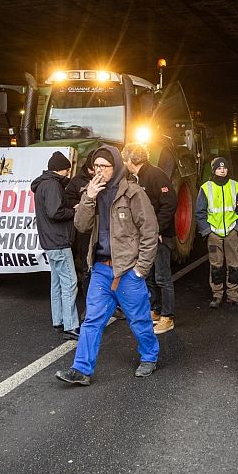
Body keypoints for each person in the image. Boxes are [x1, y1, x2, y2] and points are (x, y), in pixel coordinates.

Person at [55, 145, 160, 386]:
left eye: (104, 166)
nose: (99, 171)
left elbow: (149, 232)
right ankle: (81, 369)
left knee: (139, 319)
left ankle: (149, 357)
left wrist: (140, 269)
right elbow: (81, 225)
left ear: (116, 167)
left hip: (127, 270)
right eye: (96, 167)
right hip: (101, 269)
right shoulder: (92, 192)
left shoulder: (133, 193)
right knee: (92, 320)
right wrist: (89, 197)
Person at [121, 143, 178, 335]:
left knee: (163, 277)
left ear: (131, 160)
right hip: (145, 237)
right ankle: (156, 310)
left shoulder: (155, 175)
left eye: (125, 159)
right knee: (150, 275)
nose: (124, 163)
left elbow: (169, 204)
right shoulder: (134, 178)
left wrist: (157, 230)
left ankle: (168, 317)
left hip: (160, 236)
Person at [30, 151, 79, 340]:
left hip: (49, 241)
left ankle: (58, 320)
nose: (68, 173)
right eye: (67, 170)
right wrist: (73, 211)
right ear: (63, 169)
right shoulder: (52, 185)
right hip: (58, 241)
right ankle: (71, 325)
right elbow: (55, 212)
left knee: (56, 282)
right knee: (70, 283)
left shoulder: (42, 184)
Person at [195, 156, 238, 308]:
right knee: (216, 266)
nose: (222, 170)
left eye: (224, 168)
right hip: (214, 233)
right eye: (219, 168)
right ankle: (217, 295)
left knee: (234, 265)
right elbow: (200, 212)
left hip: (231, 231)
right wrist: (208, 231)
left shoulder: (235, 186)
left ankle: (232, 295)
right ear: (214, 170)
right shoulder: (206, 188)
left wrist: (237, 229)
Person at [64, 153, 94, 322]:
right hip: (84, 234)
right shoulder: (76, 182)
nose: (95, 172)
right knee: (87, 269)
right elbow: (67, 200)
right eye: (92, 169)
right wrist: (77, 205)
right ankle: (90, 309)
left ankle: (114, 305)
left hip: (102, 231)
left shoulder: (105, 177)